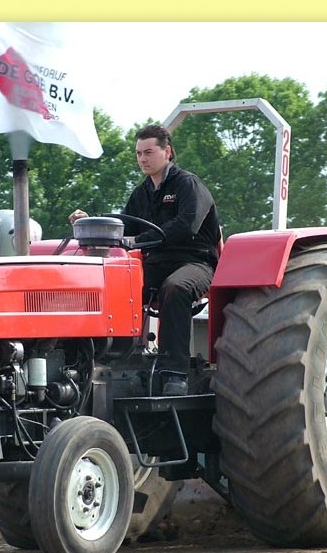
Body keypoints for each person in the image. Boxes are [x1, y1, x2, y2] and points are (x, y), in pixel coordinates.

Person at [69, 124, 221, 395]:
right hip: (157, 263)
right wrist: (91, 223)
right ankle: (114, 364)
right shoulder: (141, 194)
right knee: (116, 287)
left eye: (148, 152)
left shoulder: (188, 184)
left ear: (167, 152)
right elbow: (123, 230)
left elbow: (186, 226)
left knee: (176, 287)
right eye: (139, 153)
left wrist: (138, 240)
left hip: (195, 262)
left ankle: (174, 374)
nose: (142, 159)